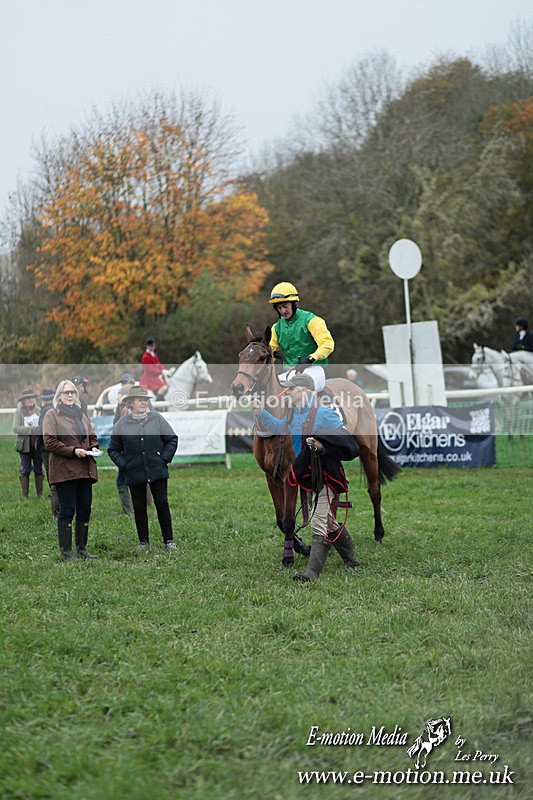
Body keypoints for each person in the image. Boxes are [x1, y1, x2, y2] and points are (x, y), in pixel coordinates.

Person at [251, 372, 359, 582]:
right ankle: (351, 559)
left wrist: (323, 446)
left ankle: (311, 573)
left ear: (305, 392)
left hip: (326, 476)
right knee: (327, 520)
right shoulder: (293, 415)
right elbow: (279, 428)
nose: (287, 392)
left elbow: (348, 445)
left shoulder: (325, 414)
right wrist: (261, 412)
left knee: (318, 521)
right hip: (308, 476)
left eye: (291, 389)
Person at [107, 385, 178, 550]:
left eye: (145, 400)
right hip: (134, 472)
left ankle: (169, 540)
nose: (144, 403)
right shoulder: (121, 424)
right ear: (130, 403)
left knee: (162, 503)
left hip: (157, 469)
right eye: (140, 400)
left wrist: (163, 459)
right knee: (139, 506)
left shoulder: (157, 418)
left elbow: (172, 439)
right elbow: (113, 449)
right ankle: (143, 542)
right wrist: (126, 466)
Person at [43, 380, 100, 561]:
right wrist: (73, 451)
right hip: (64, 470)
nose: (69, 395)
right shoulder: (51, 415)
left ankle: (82, 548)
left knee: (85, 509)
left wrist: (94, 446)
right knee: (67, 510)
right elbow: (50, 442)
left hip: (85, 469)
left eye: (73, 392)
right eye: (66, 392)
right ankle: (66, 552)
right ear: (58, 396)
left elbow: (90, 436)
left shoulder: (81, 415)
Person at [268, 282, 335, 392]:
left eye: (285, 306)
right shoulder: (276, 328)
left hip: (313, 370)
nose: (283, 311)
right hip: (290, 373)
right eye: (279, 308)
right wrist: (271, 356)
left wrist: (311, 359)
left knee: (299, 388)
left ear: (294, 304)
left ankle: (326, 408)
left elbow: (327, 344)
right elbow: (271, 350)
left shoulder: (312, 320)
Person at [12, 389, 44, 500]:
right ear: (24, 401)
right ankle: (25, 496)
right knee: (25, 469)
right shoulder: (18, 412)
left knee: (39, 469)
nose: (30, 400)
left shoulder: (39, 410)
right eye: (27, 398)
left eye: (31, 398)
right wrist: (30, 429)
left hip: (37, 445)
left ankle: (40, 495)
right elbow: (15, 428)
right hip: (24, 445)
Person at [113, 373, 136, 515]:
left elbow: (119, 426)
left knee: (121, 481)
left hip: (127, 449)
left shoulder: (125, 409)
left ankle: (128, 510)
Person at [36, 387, 59, 517]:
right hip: (56, 446)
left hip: (46, 447)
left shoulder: (45, 410)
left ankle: (55, 511)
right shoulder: (57, 410)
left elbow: (41, 430)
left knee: (52, 479)